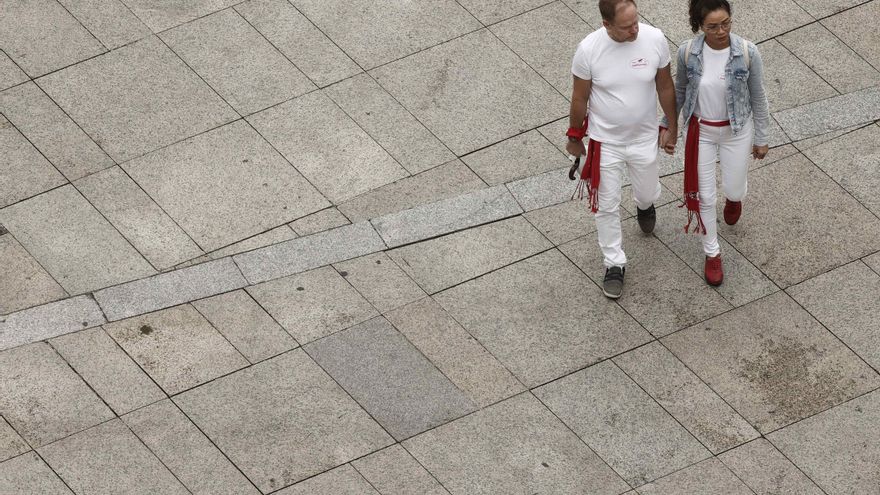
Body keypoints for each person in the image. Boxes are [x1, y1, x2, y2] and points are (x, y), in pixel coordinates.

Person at [567, 0, 678, 299]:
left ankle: (645, 204)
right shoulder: (588, 50)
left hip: (644, 139)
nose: (635, 30)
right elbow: (579, 98)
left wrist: (672, 125)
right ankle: (614, 263)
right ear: (607, 24)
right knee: (606, 205)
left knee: (647, 192)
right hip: (606, 143)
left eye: (636, 22)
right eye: (627, 27)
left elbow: (665, 86)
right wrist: (575, 136)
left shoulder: (655, 39)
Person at [665, 0, 769, 286]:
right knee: (705, 196)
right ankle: (712, 252)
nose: (721, 31)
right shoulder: (688, 52)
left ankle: (734, 199)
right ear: (699, 26)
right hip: (701, 132)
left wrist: (762, 137)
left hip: (736, 131)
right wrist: (669, 127)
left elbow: (758, 96)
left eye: (726, 23)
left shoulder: (747, 52)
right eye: (712, 27)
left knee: (734, 187)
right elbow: (680, 91)